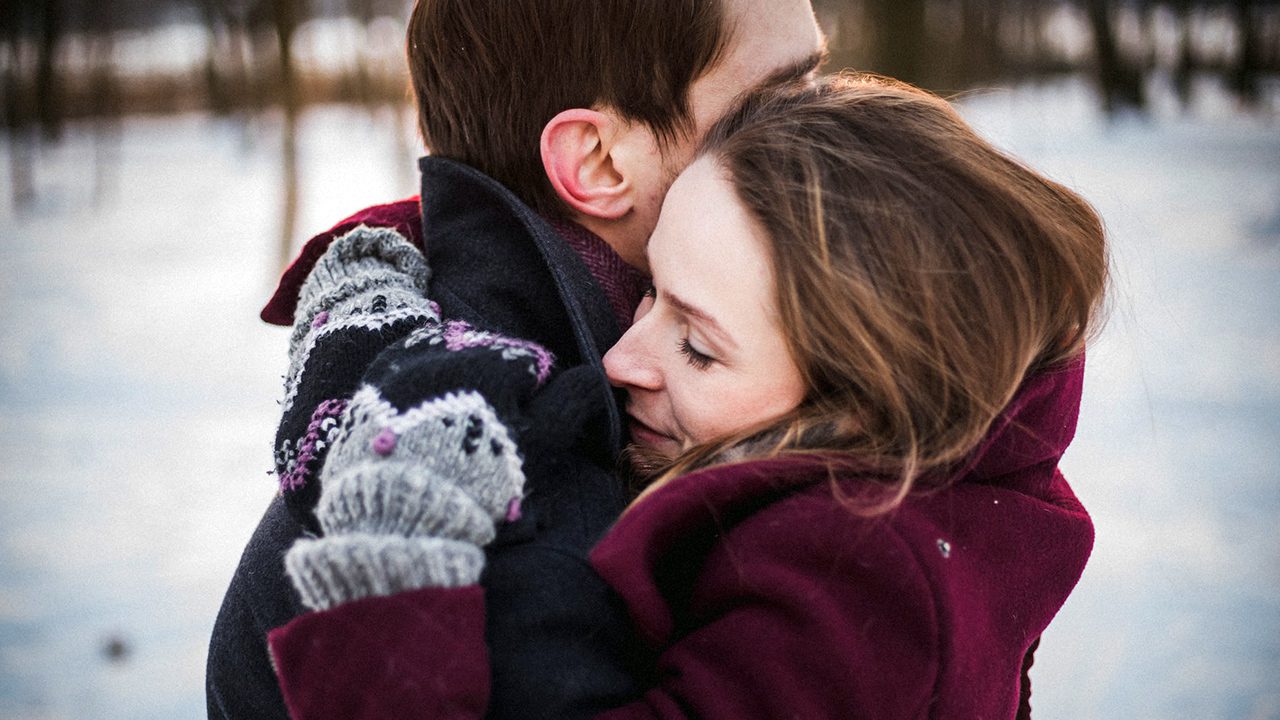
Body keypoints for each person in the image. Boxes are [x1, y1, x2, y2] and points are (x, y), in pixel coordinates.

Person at [264, 74, 1109, 718]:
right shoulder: (904, 499)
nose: (624, 358)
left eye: (699, 348)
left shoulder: (856, 584)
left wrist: (392, 612)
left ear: (864, 403)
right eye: (649, 288)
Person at [206, 1, 826, 718]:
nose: (834, 129)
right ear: (596, 161)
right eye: (783, 98)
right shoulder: (521, 517)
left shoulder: (623, 391)